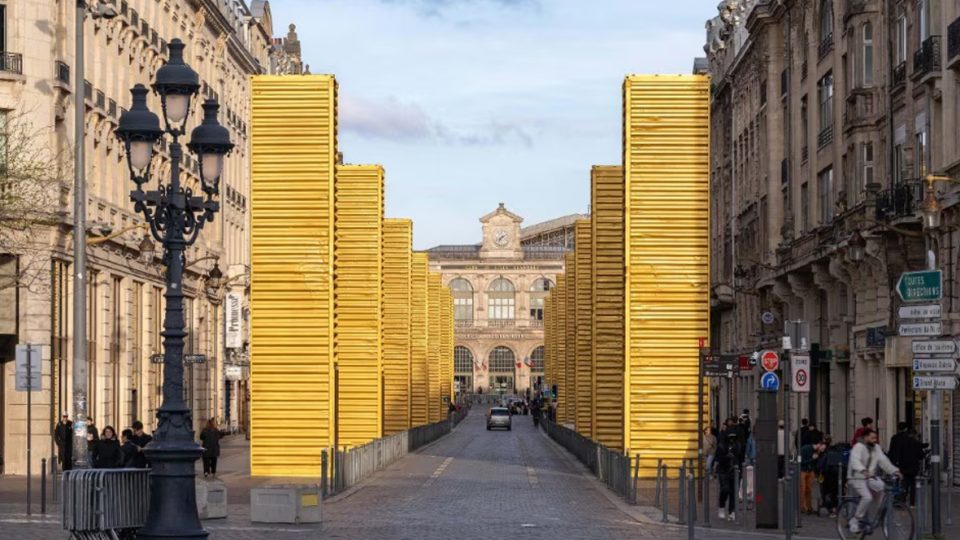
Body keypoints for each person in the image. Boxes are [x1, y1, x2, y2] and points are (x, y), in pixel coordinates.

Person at [847, 428, 900, 534]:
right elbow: (854, 460)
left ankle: (878, 514)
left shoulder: (876, 448)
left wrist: (894, 471)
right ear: (865, 437)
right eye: (872, 438)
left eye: (876, 438)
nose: (875, 440)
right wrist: (863, 470)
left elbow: (883, 461)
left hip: (870, 477)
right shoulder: (858, 446)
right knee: (867, 497)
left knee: (883, 487)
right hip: (857, 477)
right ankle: (855, 520)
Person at [887, 422, 922, 506]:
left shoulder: (895, 438)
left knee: (899, 480)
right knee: (911, 483)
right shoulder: (911, 440)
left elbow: (892, 451)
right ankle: (911, 502)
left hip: (899, 463)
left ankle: (898, 498)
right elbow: (920, 454)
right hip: (912, 465)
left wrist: (891, 461)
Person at [716, 424, 743, 522]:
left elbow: (740, 456)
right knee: (725, 489)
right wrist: (726, 457)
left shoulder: (737, 444)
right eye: (730, 437)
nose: (732, 439)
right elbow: (718, 458)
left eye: (733, 437)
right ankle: (721, 506)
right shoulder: (722, 445)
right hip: (723, 470)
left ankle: (732, 512)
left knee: (733, 492)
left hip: (734, 470)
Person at [817, 436, 844, 518]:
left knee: (827, 492)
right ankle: (838, 507)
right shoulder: (842, 454)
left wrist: (819, 472)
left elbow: (820, 465)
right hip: (840, 477)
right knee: (839, 491)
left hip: (828, 477)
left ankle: (832, 509)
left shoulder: (827, 454)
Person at [799, 440, 825, 514]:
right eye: (822, 448)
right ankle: (802, 507)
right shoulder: (805, 449)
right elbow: (802, 461)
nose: (822, 450)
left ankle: (809, 507)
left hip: (810, 471)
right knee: (803, 489)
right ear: (819, 445)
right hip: (803, 470)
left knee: (809, 489)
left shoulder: (818, 452)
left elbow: (816, 463)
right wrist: (812, 459)